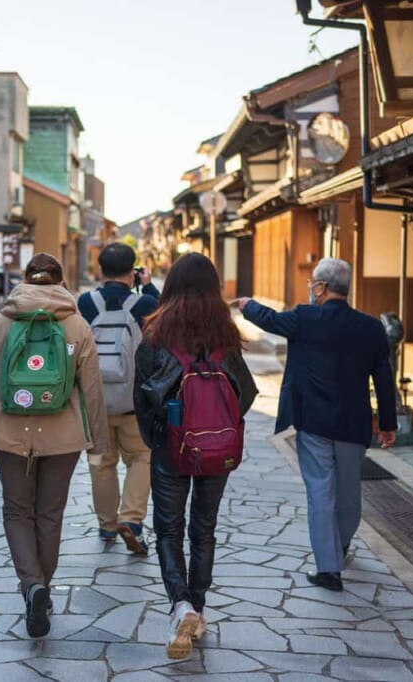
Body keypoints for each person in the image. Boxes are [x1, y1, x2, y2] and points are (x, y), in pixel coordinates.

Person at [234, 257, 397, 593]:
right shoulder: (370, 327)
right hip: (354, 423)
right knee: (349, 492)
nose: (311, 289)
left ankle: (329, 568)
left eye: (313, 283)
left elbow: (270, 320)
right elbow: (384, 376)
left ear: (321, 287)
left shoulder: (306, 318)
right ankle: (340, 547)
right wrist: (388, 423)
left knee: (320, 491)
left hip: (315, 421)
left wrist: (247, 306)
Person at [0, 253, 109, 639]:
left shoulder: (0, 323)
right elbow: (93, 393)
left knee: (17, 511)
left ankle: (31, 585)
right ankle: (41, 589)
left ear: (25, 280)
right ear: (60, 282)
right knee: (50, 514)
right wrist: (98, 444)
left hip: (9, 434)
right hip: (62, 437)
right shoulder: (77, 325)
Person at [134, 253, 257, 659]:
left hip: (172, 446)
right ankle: (198, 609)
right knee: (203, 529)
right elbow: (247, 393)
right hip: (217, 449)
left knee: (169, 529)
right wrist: (221, 424)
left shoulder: (155, 333)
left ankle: (181, 604)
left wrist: (157, 438)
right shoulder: (225, 334)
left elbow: (144, 396)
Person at [77, 242, 159, 554]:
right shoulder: (144, 304)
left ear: (100, 270)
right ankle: (132, 519)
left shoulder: (85, 303)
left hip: (94, 400)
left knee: (101, 462)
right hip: (133, 401)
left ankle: (107, 525)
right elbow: (167, 323)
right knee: (141, 457)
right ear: (132, 271)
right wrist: (148, 286)